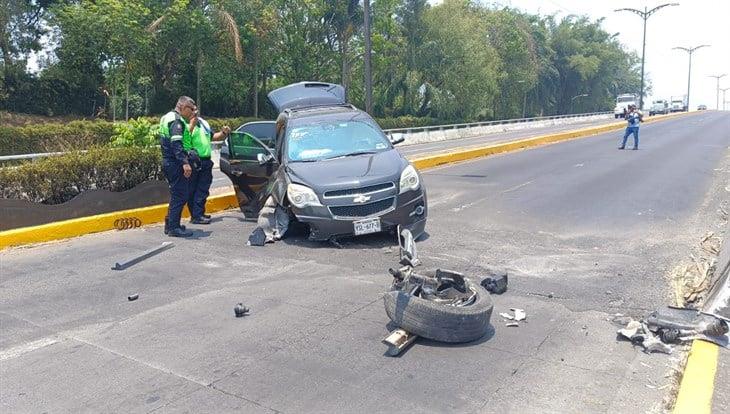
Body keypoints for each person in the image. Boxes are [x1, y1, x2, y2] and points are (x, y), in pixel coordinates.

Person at [185, 109, 231, 224]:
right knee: (193, 189)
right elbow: (184, 138)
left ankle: (199, 213)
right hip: (194, 160)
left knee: (203, 188)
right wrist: (192, 124)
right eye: (192, 110)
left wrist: (223, 133)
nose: (195, 112)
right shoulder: (185, 124)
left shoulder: (203, 123)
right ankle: (196, 215)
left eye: (196, 110)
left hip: (206, 161)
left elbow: (213, 136)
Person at [159, 96, 196, 237]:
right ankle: (174, 228)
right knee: (181, 195)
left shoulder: (167, 117)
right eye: (191, 109)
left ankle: (170, 224)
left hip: (170, 161)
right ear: (183, 107)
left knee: (176, 194)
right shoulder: (176, 121)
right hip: (175, 163)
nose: (192, 112)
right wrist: (185, 163)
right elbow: (176, 144)